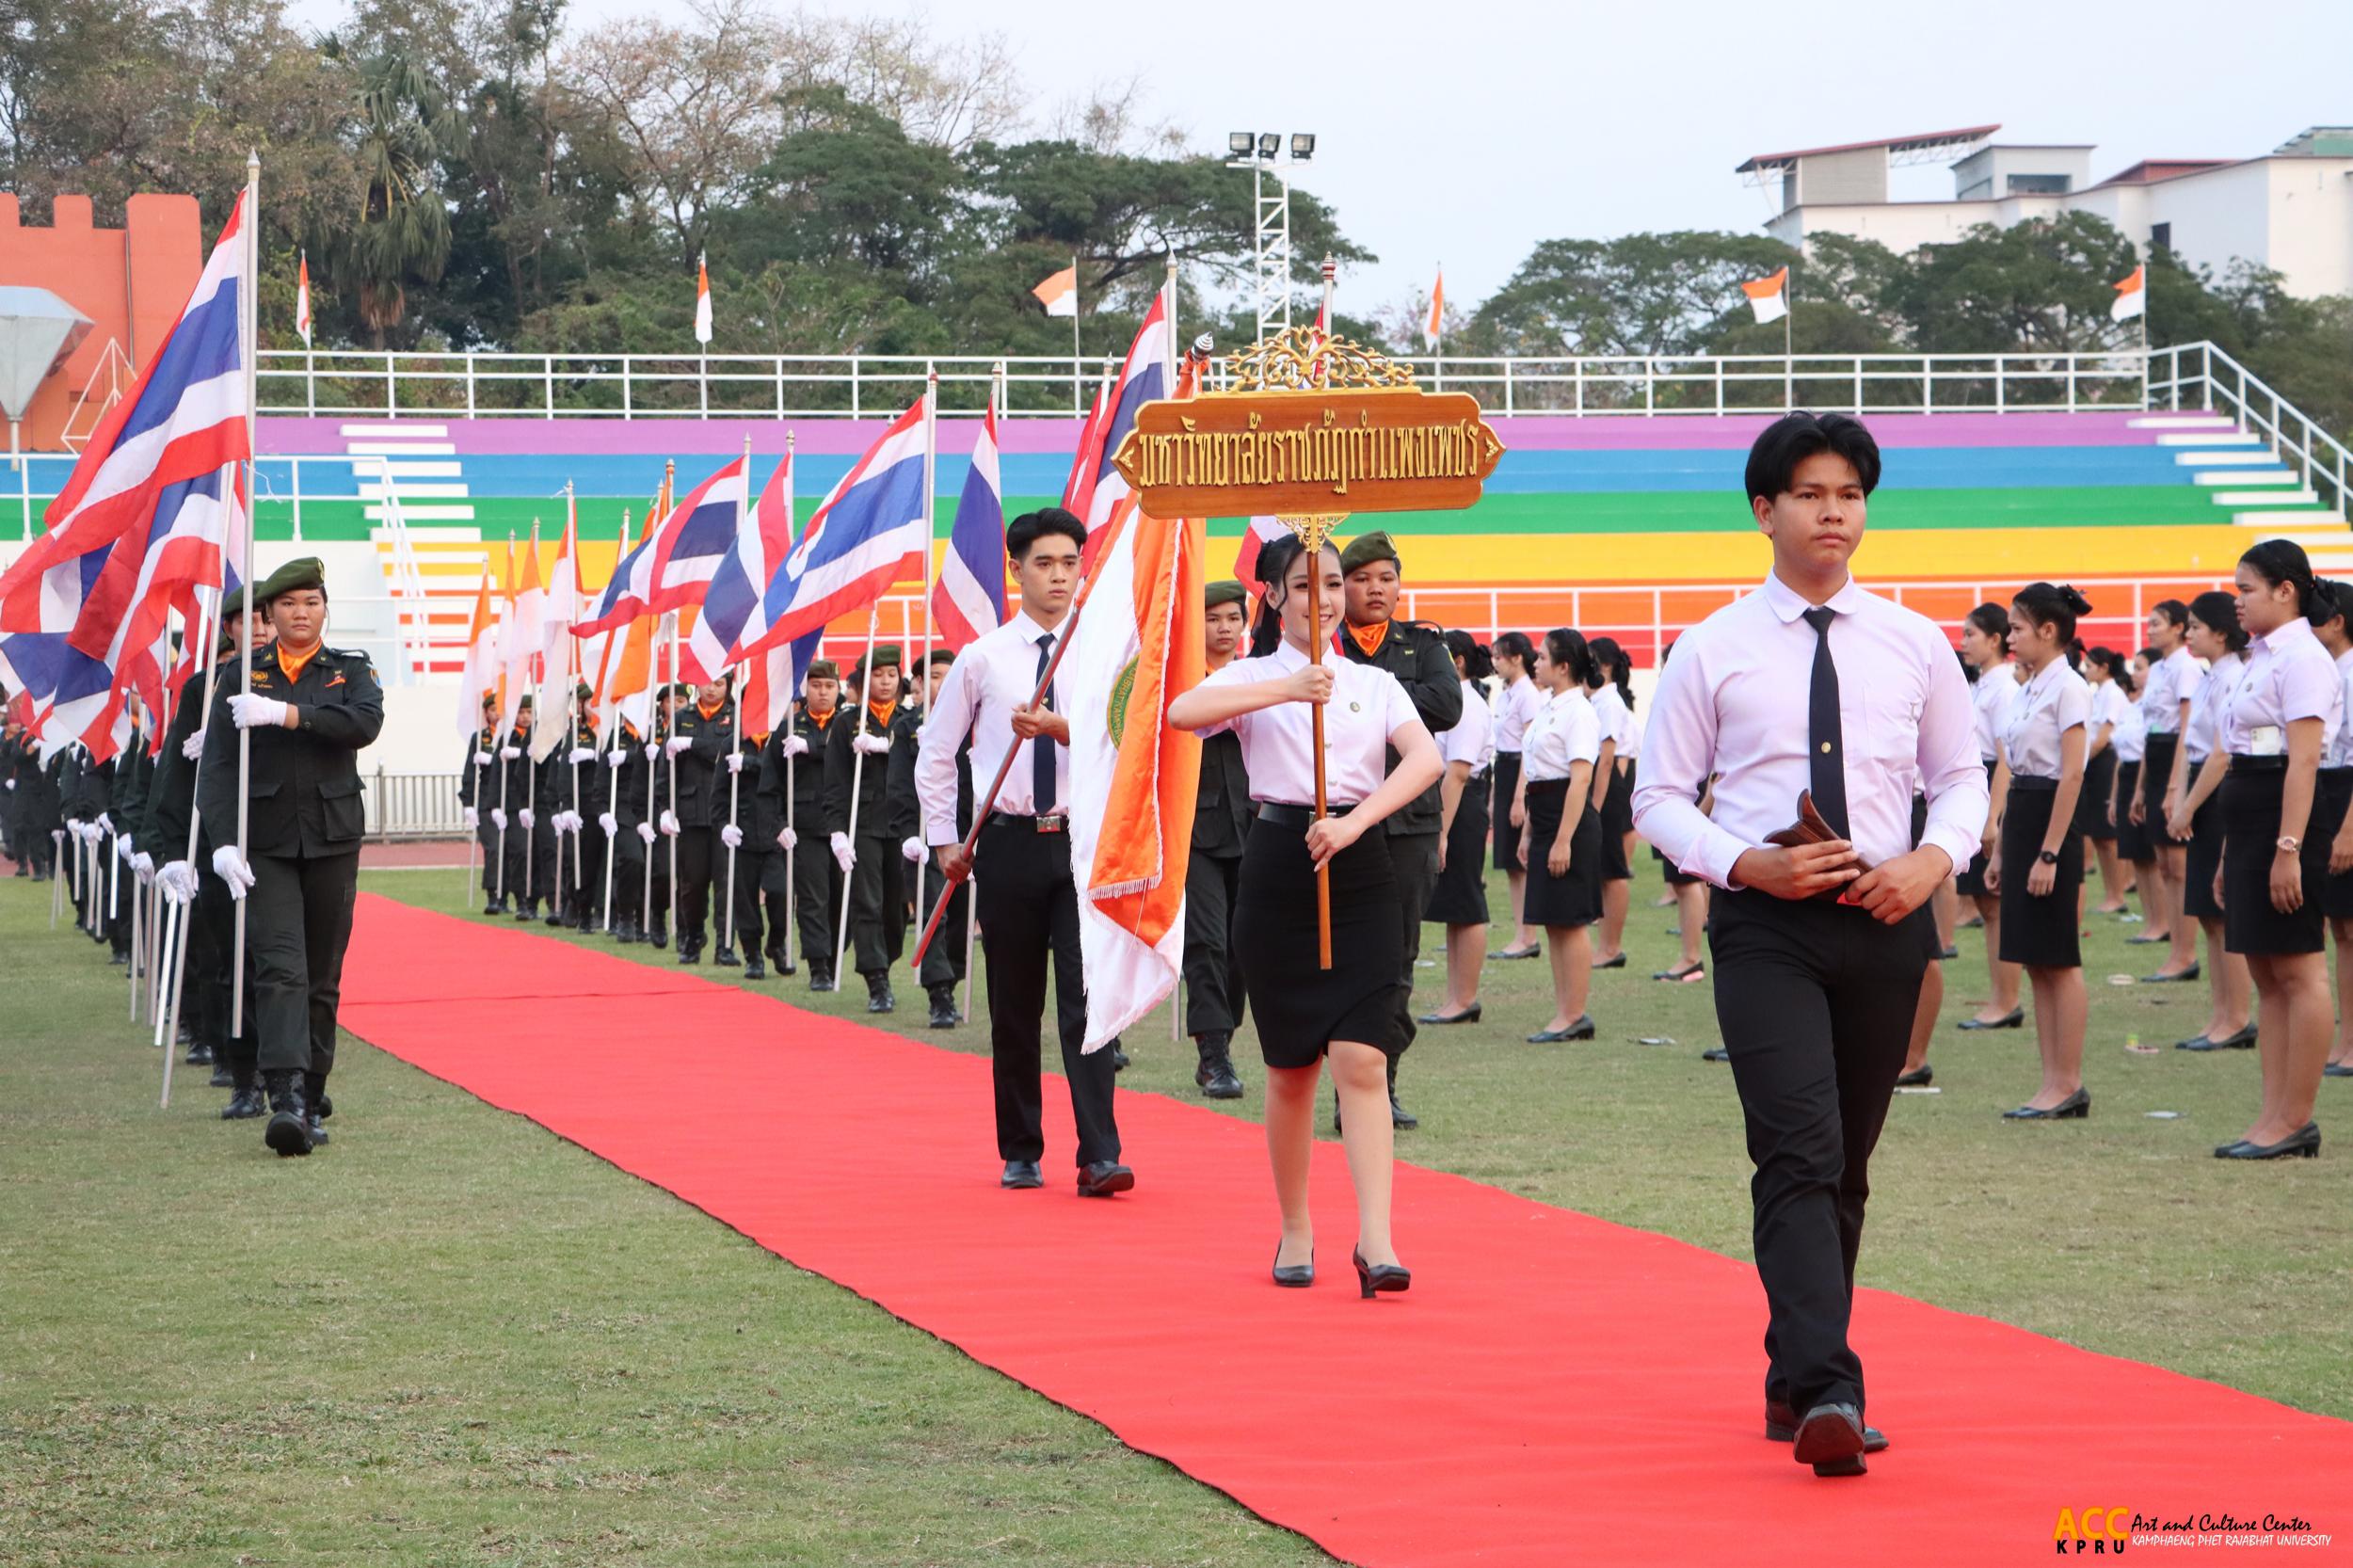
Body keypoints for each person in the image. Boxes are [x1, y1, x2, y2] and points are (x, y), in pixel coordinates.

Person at [1633, 411, 1987, 1478]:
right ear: (1764, 510)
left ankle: (1794, 1374)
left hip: (1887, 922)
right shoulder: (1711, 646)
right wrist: (1747, 863)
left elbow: (1961, 779)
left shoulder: (1915, 641)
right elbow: (1657, 798)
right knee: (1797, 1148)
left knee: (1847, 1166)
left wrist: (1932, 863)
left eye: (1849, 493)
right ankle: (1832, 1381)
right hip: (1766, 928)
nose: (1833, 511)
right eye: (1810, 493)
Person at [1170, 532, 1442, 1295]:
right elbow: (1183, 711)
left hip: (1361, 868)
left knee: (1364, 1058)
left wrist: (1357, 823)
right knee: (1290, 1069)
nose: (1320, 599)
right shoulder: (1253, 675)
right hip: (1278, 868)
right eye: (1301, 585)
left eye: (1330, 584)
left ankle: (1378, 1240)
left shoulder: (1377, 684)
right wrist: (1284, 691)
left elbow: (1422, 761)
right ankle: (1295, 1226)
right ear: (1273, 596)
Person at [916, 507, 1130, 1196]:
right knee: (1015, 1006)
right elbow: (936, 755)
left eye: (1070, 562)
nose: (1060, 575)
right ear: (1017, 569)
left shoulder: (1104, 651)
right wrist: (945, 840)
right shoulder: (983, 659)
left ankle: (1100, 1153)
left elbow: (1126, 743)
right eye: (1045, 563)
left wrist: (1061, 729)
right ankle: (1020, 1147)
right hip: (1006, 846)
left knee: (1086, 1000)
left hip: (1080, 845)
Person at [196, 558, 385, 1157]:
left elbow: (364, 723)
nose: (300, 614)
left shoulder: (349, 670)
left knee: (323, 976)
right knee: (281, 969)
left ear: (325, 609)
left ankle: (314, 1087)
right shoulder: (243, 675)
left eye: (311, 603)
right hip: (266, 843)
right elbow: (218, 764)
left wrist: (288, 714)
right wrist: (223, 839)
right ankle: (288, 1101)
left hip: (332, 838)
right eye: (288, 605)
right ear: (269, 615)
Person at [2211, 543, 2342, 1159]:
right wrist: (2229, 851)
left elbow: (2305, 757)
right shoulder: (2260, 657)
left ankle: (2296, 1118)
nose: (2238, 600)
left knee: (2297, 967)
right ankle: (2270, 1117)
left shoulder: (2304, 659)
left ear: (2286, 590)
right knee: (2266, 971)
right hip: (2252, 806)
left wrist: (2288, 848)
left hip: (2286, 814)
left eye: (2248, 589)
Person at [1334, 531, 1461, 1129]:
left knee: (1400, 955)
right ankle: (1346, 1087)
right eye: (1361, 578)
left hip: (1409, 825)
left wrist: (1370, 697)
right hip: (1341, 821)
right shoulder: (1324, 646)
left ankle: (1381, 1083)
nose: (1375, 589)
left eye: (1386, 578)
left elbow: (1448, 706)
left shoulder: (1423, 645)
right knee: (1340, 955)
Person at [148, 588, 268, 1112]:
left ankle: (295, 1076)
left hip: (281, 837)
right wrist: (171, 848)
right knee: (230, 962)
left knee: (285, 966)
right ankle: (240, 1070)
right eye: (248, 620)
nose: (261, 628)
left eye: (269, 617)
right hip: (219, 841)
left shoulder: (302, 680)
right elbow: (173, 774)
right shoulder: (204, 687)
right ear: (230, 629)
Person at [1984, 585, 2095, 1119]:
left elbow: (2071, 774)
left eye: (2019, 627)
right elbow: (2018, 775)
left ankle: (2068, 1081)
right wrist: (2004, 848)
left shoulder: (2069, 688)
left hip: (2053, 822)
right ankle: (2051, 1081)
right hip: (2026, 816)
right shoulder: (2028, 688)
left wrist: (2049, 854)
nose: (2011, 636)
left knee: (2059, 958)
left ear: (2048, 631)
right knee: (2035, 961)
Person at [2166, 593, 2253, 1050]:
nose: (2190, 634)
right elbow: (2189, 744)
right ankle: (2220, 1013)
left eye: (2197, 627)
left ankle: (2237, 1017)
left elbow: (2221, 754)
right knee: (2207, 912)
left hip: (2217, 790)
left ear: (2221, 632)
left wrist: (2188, 806)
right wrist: (2177, 793)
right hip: (2201, 786)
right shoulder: (2207, 678)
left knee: (2222, 911)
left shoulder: (2232, 677)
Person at [1182, 580, 1254, 1096]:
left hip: (1256, 826)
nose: (1224, 628)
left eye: (1232, 618)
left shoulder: (1259, 678)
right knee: (1205, 940)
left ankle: (1225, 1031)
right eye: (1212, 619)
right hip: (1194, 830)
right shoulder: (1179, 683)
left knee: (1243, 943)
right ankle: (1214, 1054)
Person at [1516, 628, 1604, 1040]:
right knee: (1553, 921)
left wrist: (1564, 839)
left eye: (1543, 658)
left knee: (1570, 921)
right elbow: (1538, 776)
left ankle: (1574, 1014)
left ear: (1563, 666)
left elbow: (1580, 778)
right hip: (1546, 815)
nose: (1536, 664)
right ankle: (1564, 1010)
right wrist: (1530, 832)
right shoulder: (1552, 707)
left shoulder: (1579, 712)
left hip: (1568, 821)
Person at [826, 647, 920, 1012]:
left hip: (900, 825)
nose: (885, 682)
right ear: (863, 682)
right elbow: (834, 782)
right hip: (862, 823)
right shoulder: (846, 722)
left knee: (897, 911)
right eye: (878, 676)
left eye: (891, 675)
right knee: (867, 903)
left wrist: (892, 746)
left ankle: (885, 957)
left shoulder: (909, 720)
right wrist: (837, 830)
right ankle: (876, 980)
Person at [1421, 630, 1495, 1025]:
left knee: (1466, 901)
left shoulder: (1466, 702)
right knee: (1453, 906)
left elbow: (1459, 772)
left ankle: (1464, 999)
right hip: (1451, 802)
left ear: (1458, 663)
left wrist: (1442, 831)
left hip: (1460, 806)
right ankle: (1455, 996)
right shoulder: (1455, 699)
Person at [894, 647, 970, 1025]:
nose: (944, 682)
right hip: (927, 837)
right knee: (932, 913)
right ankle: (938, 994)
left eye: (949, 674)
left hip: (969, 834)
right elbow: (901, 786)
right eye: (936, 676)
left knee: (961, 920)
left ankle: (951, 979)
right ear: (921, 683)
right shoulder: (908, 727)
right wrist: (911, 834)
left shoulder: (972, 722)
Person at [1957, 602, 2023, 1031]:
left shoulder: (2003, 688)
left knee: (1996, 903)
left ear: (1995, 640)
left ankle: (2007, 1000)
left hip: (1993, 789)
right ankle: (2000, 997)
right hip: (1981, 786)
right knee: (1985, 902)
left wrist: (1991, 818)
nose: (1963, 643)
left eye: (1970, 635)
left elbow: (2006, 758)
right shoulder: (1983, 685)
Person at [2137, 599, 2201, 982]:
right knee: (2163, 863)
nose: (2150, 629)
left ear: (2179, 628)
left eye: (2158, 623)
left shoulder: (2186, 668)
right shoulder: (2159, 669)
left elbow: (2185, 728)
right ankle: (2176, 950)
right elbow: (2151, 732)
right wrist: (2143, 788)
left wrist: (2175, 785)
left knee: (2178, 866)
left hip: (2177, 758)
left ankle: (2185, 953)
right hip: (2156, 755)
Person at [769, 661, 841, 990]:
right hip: (807, 826)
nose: (823, 692)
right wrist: (779, 824)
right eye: (816, 686)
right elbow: (769, 786)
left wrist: (813, 748)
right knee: (813, 900)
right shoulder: (787, 730)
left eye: (829, 686)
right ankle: (819, 966)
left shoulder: (850, 725)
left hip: (847, 825)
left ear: (838, 688)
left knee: (843, 900)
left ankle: (836, 954)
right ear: (805, 689)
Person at [1650, 637, 1710, 984]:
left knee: (1687, 881)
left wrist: (1701, 810)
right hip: (1678, 796)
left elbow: (1713, 769)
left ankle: (1691, 958)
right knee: (1682, 880)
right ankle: (1689, 955)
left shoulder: (1696, 694)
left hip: (1693, 797)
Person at [666, 672, 736, 966]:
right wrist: (664, 808)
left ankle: (725, 944)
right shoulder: (683, 718)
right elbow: (667, 768)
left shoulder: (737, 715)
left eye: (719, 684)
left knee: (726, 882)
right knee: (692, 882)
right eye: (707, 682)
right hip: (691, 812)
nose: (712, 689)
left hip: (726, 814)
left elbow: (727, 753)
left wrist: (693, 745)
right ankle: (693, 937)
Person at [1586, 636, 1639, 970]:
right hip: (1601, 782)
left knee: (1613, 869)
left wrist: (1595, 805)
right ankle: (1606, 946)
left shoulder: (1608, 702)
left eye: (1590, 660)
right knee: (1604, 870)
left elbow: (1607, 759)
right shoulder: (1598, 700)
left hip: (1607, 785)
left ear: (1604, 666)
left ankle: (1612, 947)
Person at [1489, 631, 1543, 960]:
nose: (1494, 662)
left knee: (1521, 862)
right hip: (1505, 771)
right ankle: (1521, 932)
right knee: (1510, 862)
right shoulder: (1507, 693)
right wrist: (1498, 792)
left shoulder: (1527, 695)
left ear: (1516, 658)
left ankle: (1528, 935)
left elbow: (1528, 748)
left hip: (1519, 773)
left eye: (1499, 657)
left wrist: (1519, 797)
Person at [2317, 600, 2353, 1080]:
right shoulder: (2331, 670)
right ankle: (2345, 1040)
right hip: (2332, 791)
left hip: (2347, 799)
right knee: (2342, 931)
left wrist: (2347, 829)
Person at [2080, 648, 2130, 916]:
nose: (2086, 670)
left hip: (2105, 761)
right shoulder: (2098, 693)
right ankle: (2112, 893)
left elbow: (2103, 736)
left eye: (2090, 665)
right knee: (2099, 835)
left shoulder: (2113, 693)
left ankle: (2118, 894)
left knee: (2108, 836)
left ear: (2103, 667)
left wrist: (2081, 760)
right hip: (2093, 762)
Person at [2111, 649, 2155, 931]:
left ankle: (2161, 923)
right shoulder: (2132, 706)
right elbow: (2121, 753)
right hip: (2128, 775)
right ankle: (2152, 921)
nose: (2135, 674)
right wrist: (2114, 797)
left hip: (2146, 775)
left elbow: (2147, 750)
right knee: (2137, 856)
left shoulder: (2156, 706)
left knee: (2153, 859)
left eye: (2140, 668)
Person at [459, 693, 503, 914]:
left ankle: (509, 896)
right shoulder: (480, 738)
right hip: (485, 801)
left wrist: (495, 759)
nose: (496, 713)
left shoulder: (511, 736)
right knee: (493, 847)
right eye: (492, 709)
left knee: (511, 850)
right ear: (486, 713)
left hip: (507, 801)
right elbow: (470, 771)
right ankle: (493, 895)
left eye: (499, 708)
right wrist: (468, 802)